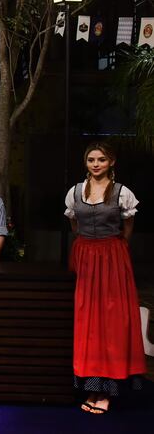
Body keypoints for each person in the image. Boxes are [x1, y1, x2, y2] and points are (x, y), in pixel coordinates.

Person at [64, 142, 145, 414]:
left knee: (111, 322)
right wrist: (88, 247)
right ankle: (91, 388)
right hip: (86, 257)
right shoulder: (75, 191)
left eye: (101, 159)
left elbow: (128, 226)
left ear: (111, 162)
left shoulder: (122, 193)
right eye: (90, 159)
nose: (95, 164)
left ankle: (107, 392)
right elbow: (74, 224)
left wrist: (113, 250)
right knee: (88, 322)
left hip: (112, 258)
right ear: (85, 162)